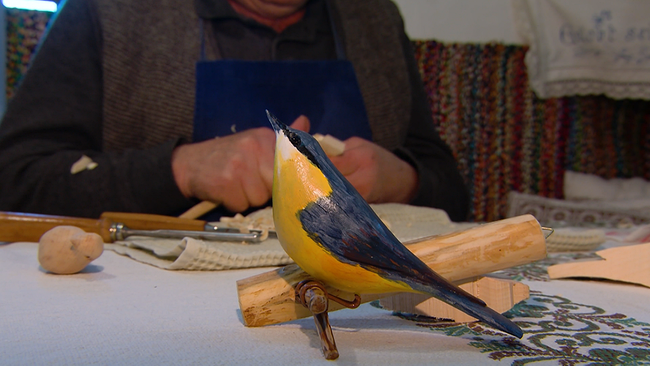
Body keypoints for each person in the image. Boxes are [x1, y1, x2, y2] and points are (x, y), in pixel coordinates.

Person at [0, 0, 470, 222]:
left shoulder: (375, 19)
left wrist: (403, 180)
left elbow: (451, 191)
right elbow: (15, 179)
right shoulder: (108, 11)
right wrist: (178, 170)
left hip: (357, 317)